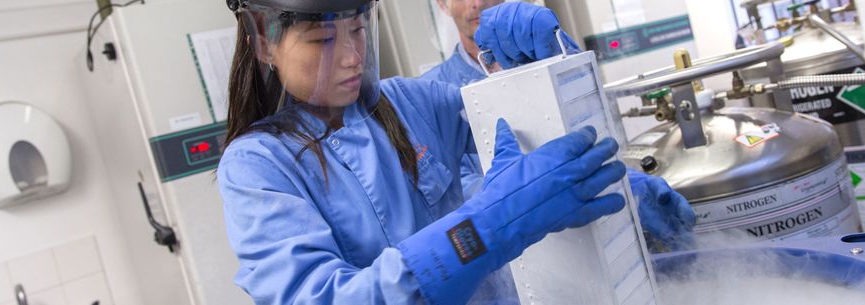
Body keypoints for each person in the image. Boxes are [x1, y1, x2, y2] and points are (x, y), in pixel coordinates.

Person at [217, 1, 694, 305]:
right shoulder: (257, 166)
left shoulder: (408, 103)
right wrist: (486, 228)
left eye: (359, 30)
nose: (351, 57)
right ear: (263, 42)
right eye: (323, 40)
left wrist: (540, 64)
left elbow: (530, 132)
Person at [422, 0, 694, 252]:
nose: (477, 3)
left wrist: (627, 182)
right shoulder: (432, 94)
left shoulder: (544, 47)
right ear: (442, 4)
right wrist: (530, 197)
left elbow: (590, 125)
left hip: (605, 228)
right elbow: (457, 195)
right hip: (520, 257)